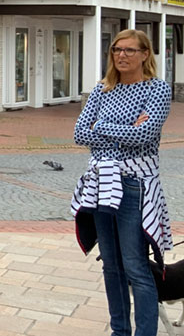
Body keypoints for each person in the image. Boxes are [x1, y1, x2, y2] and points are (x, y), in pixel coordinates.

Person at [71, 29, 172, 336]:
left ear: (145, 54)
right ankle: (119, 331)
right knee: (111, 266)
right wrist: (122, 128)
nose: (122, 55)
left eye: (130, 50)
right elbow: (79, 134)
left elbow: (145, 135)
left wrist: (101, 126)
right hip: (101, 183)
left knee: (136, 267)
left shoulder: (157, 89)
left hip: (135, 186)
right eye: (117, 49)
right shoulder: (102, 90)